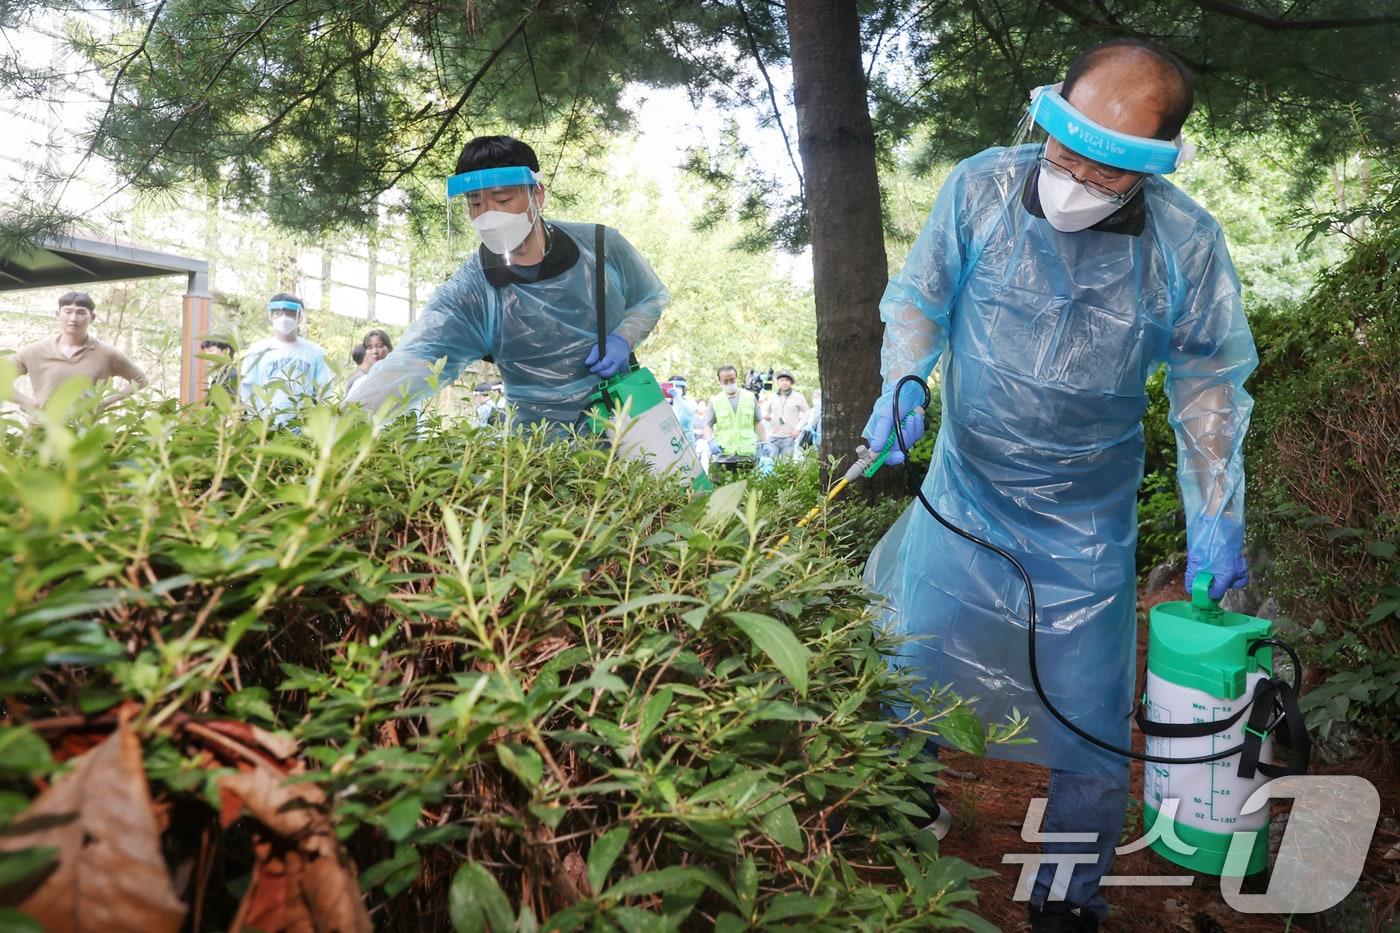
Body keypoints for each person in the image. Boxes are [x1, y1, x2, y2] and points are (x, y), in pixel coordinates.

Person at [860, 39, 1254, 932]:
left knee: (1088, 718)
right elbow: (919, 300)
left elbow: (1209, 388)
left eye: (1109, 168)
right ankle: (901, 813)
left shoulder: (1185, 243)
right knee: (911, 662)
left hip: (1086, 521)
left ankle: (1065, 894)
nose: (1074, 174)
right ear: (1049, 115)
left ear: (1154, 165)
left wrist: (1216, 513)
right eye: (1065, 145)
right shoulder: (981, 189)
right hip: (965, 495)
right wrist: (904, 382)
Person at [346, 135, 668, 431]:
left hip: (625, 427)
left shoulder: (600, 246)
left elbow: (650, 297)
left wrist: (624, 337)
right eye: (475, 203)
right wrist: (344, 422)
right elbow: (416, 359)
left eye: (502, 199)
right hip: (539, 447)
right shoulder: (471, 292)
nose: (488, 214)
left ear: (536, 196)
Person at [11, 291, 149, 414]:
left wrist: (106, 402)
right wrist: (28, 402)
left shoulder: (106, 353)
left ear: (92, 317)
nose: (73, 318)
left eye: (81, 312)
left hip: (85, 434)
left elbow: (140, 380)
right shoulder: (35, 350)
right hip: (41, 432)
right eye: (68, 311)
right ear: (58, 315)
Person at [239, 294, 333, 424]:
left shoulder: (316, 352)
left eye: (290, 313)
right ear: (270, 315)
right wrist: (256, 420)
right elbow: (247, 389)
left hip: (303, 424)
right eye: (278, 313)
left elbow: (325, 390)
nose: (284, 318)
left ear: (300, 317)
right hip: (265, 424)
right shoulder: (256, 351)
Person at [704, 365, 766, 463]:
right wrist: (710, 441)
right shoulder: (715, 401)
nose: (729, 383)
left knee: (748, 478)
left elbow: (758, 422)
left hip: (747, 453)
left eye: (732, 380)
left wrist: (764, 442)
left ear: (736, 378)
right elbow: (707, 425)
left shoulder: (750, 397)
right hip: (723, 454)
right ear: (720, 381)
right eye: (725, 381)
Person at [762, 370, 808, 459]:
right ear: (778, 382)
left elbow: (807, 412)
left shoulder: (798, 397)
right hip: (773, 437)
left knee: (786, 466)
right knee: (770, 464)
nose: (784, 383)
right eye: (782, 380)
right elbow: (764, 411)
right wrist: (765, 415)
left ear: (791, 382)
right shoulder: (772, 397)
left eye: (787, 380)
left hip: (789, 437)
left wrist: (798, 429)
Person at [346, 329, 393, 394]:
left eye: (379, 346)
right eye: (370, 347)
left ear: (389, 349)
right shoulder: (359, 380)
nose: (375, 351)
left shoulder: (395, 375)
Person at [666, 375, 698, 449]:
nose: (677, 388)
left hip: (687, 443)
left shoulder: (690, 402)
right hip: (670, 443)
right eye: (674, 386)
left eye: (679, 386)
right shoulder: (666, 403)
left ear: (684, 389)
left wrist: (678, 398)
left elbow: (689, 411)